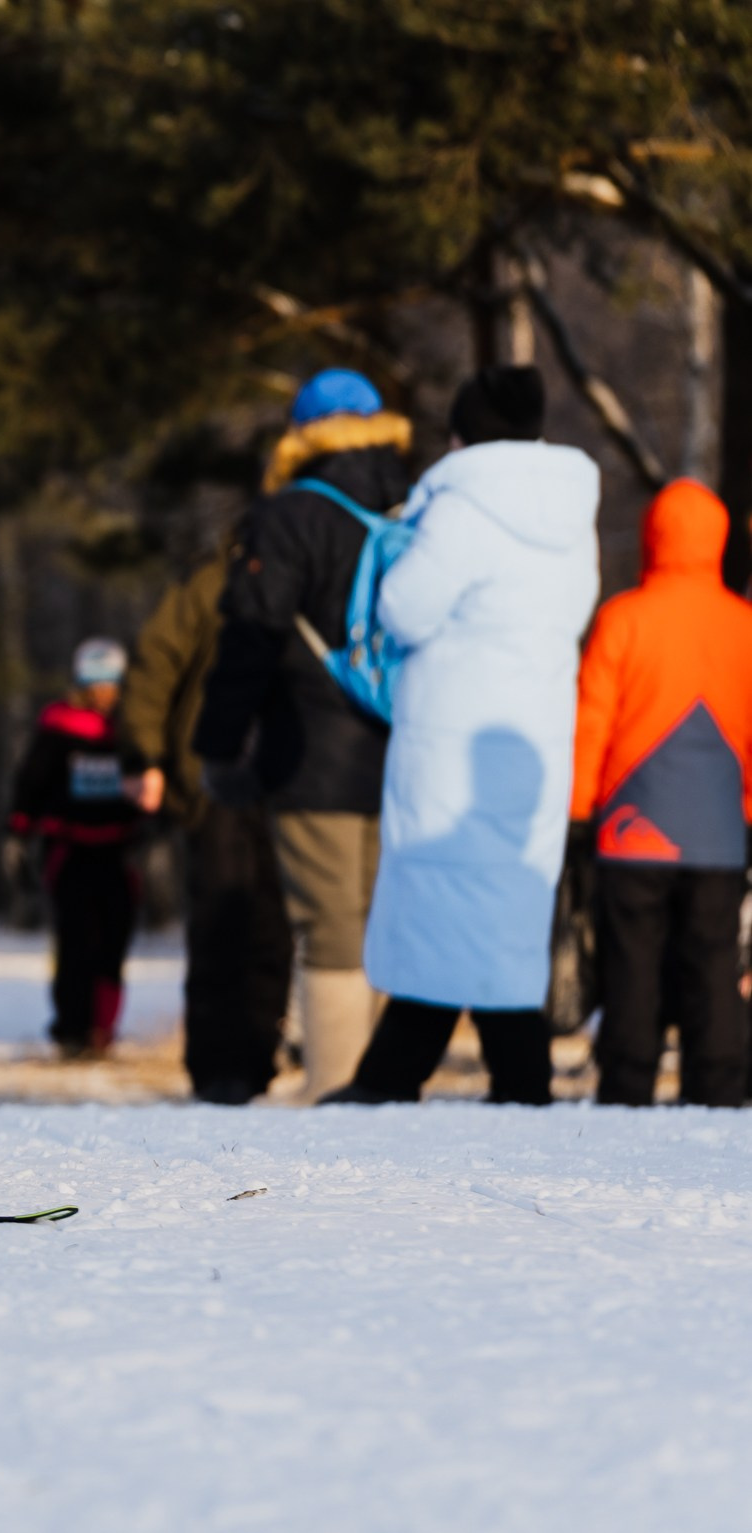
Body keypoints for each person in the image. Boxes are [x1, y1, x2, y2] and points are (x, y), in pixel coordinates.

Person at [328, 366, 599, 1104]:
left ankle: (402, 1077)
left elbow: (407, 607)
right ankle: (507, 1076)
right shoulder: (570, 514)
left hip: (453, 738)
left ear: (464, 432)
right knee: (505, 906)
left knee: (442, 900)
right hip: (531, 734)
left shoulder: (462, 505)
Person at [192, 367, 415, 1098]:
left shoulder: (290, 515)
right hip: (400, 748)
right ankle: (384, 1091)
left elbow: (250, 637)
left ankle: (342, 1094)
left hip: (310, 751)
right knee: (379, 923)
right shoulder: (410, 506)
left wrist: (219, 744)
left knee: (329, 930)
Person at [570, 478, 752, 1107]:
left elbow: (591, 720)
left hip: (632, 829)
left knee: (632, 968)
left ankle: (627, 1088)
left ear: (652, 535)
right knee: (713, 968)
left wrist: (578, 810)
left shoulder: (623, 617)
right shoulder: (744, 625)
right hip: (720, 837)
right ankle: (720, 1091)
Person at [123, 546, 294, 1103]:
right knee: (221, 921)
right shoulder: (208, 582)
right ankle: (215, 1065)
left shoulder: (315, 572)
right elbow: (156, 664)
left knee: (275, 925)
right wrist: (143, 755)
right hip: (211, 775)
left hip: (290, 779)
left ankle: (257, 1056)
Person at [9, 639, 146, 1058]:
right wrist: (19, 831)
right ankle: (71, 1030)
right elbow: (30, 784)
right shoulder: (57, 729)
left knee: (113, 944)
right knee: (73, 943)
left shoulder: (134, 732)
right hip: (68, 850)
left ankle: (102, 1029)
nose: (104, 693)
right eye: (96, 684)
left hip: (119, 852)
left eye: (111, 684)